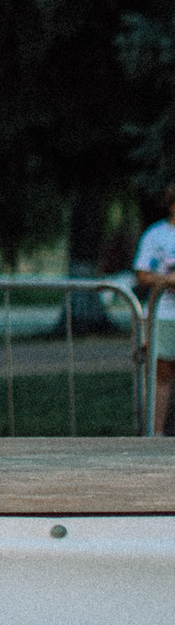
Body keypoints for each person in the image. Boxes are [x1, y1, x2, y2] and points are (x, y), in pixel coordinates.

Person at [133, 182, 175, 437]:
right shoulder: (156, 235)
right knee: (162, 374)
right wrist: (167, 281)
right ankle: (155, 434)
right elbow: (141, 274)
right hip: (164, 314)